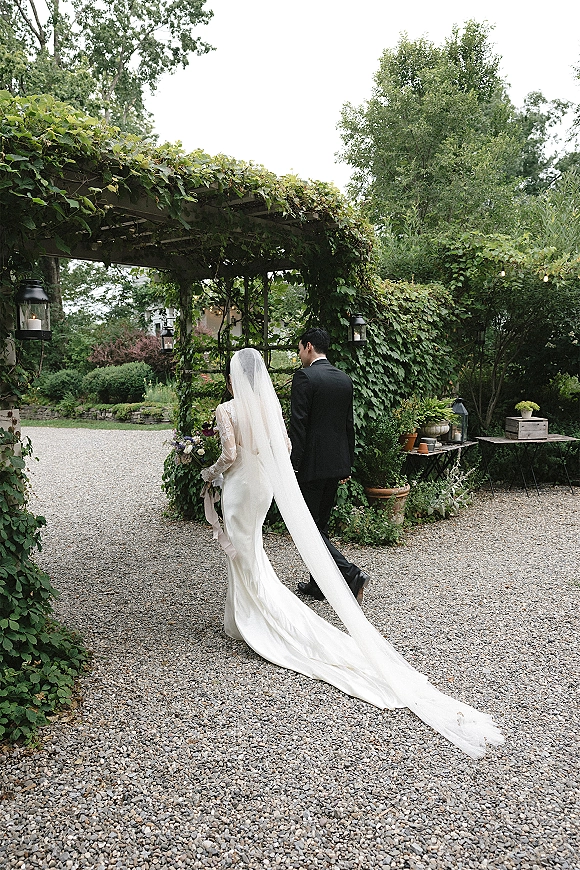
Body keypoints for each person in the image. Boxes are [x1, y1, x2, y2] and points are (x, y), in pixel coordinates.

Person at [200, 347, 504, 759]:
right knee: (249, 546)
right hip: (263, 488)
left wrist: (208, 472)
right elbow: (286, 447)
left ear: (232, 378)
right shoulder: (268, 406)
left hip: (238, 487)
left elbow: (230, 455)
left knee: (242, 551)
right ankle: (243, 614)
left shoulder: (226, 409)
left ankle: (251, 618)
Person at [289, 327, 369, 603]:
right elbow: (348, 427)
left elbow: (298, 427)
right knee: (319, 525)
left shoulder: (305, 377)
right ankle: (318, 584)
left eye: (299, 349)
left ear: (309, 346)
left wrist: (293, 466)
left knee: (308, 529)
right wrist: (347, 464)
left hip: (310, 467)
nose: (299, 355)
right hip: (335, 466)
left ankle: (350, 574)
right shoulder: (344, 379)